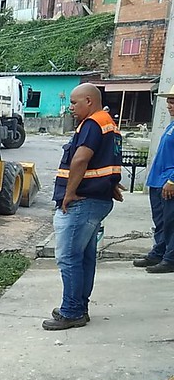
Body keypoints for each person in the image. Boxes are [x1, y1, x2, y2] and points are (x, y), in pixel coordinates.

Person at [43, 83, 125, 331]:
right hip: (96, 200)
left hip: (82, 202)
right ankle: (79, 307)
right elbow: (107, 163)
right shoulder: (108, 124)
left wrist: (69, 193)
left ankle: (71, 311)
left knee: (68, 257)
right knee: (84, 258)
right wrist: (108, 184)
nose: (71, 108)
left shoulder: (92, 124)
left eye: (74, 103)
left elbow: (80, 159)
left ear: (89, 101)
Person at [132, 84, 174, 274]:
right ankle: (159, 252)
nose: (169, 105)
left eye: (173, 102)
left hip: (168, 182)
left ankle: (170, 258)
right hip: (158, 181)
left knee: (171, 221)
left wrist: (172, 180)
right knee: (161, 222)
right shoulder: (171, 125)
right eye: (169, 101)